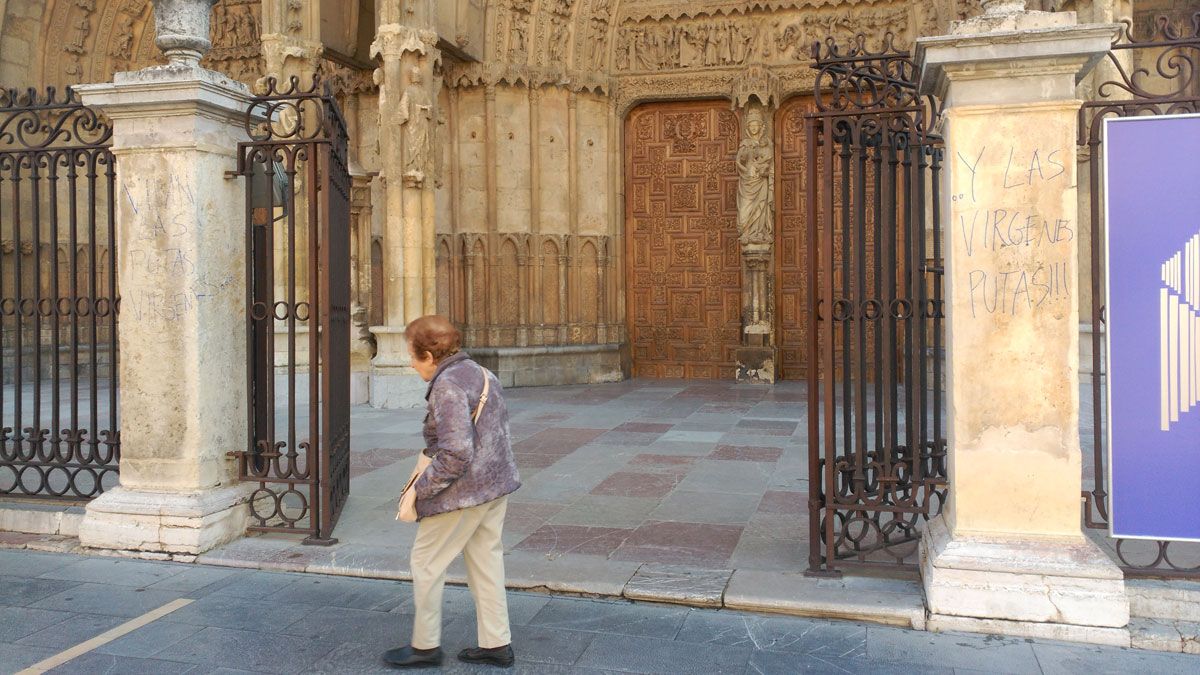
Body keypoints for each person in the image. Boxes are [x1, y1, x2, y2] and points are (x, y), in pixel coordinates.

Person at [384, 315, 521, 669]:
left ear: (430, 355)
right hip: (495, 485)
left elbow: (457, 452)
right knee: (486, 561)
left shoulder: (447, 386)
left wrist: (423, 489)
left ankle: (425, 647)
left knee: (426, 562)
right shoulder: (481, 373)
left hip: (463, 493)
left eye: (414, 357)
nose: (412, 365)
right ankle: (496, 644)